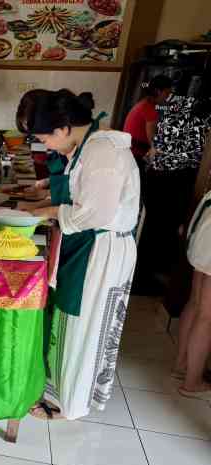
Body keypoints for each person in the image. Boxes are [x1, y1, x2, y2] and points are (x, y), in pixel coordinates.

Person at [17, 90, 140, 420]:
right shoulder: (88, 145)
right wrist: (43, 205)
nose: (45, 145)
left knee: (85, 326)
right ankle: (61, 392)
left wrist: (43, 212)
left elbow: (94, 214)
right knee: (72, 323)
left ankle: (70, 404)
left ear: (63, 128)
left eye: (44, 138)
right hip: (88, 244)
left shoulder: (102, 152)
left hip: (100, 249)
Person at [136, 91, 211, 293]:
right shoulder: (203, 112)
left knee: (152, 227)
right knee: (160, 229)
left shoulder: (180, 104)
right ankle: (144, 280)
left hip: (158, 173)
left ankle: (143, 276)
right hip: (174, 177)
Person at [174, 190, 211, 398]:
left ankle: (180, 365)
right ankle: (192, 382)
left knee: (195, 303)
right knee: (206, 316)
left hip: (205, 231)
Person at [123, 75, 173, 167]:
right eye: (167, 93)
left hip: (129, 151)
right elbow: (153, 142)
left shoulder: (145, 103)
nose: (168, 97)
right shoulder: (149, 109)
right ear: (158, 91)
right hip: (134, 155)